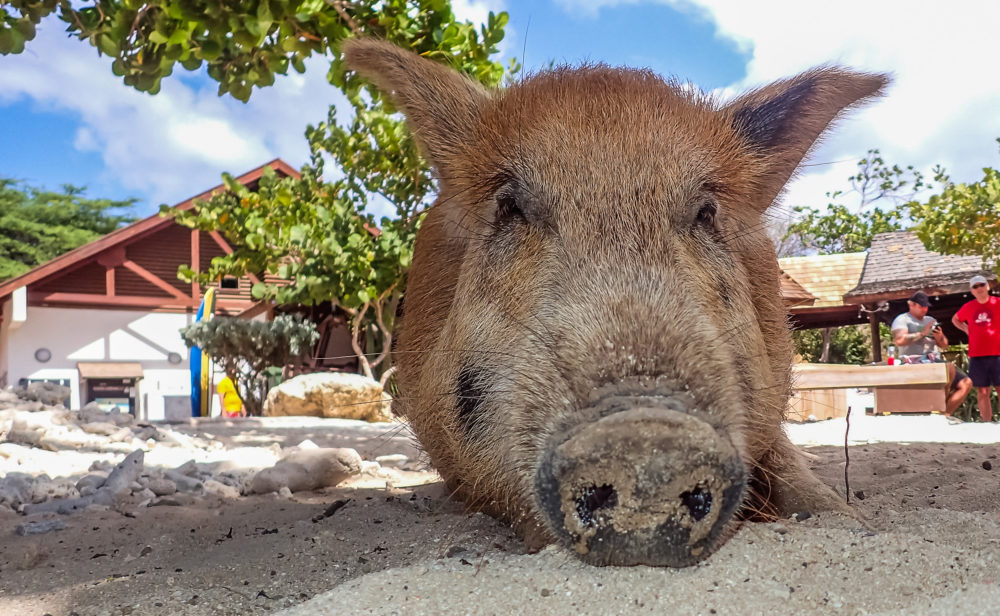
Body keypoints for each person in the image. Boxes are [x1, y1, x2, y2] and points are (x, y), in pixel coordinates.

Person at [891, 291, 972, 418]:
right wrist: (922, 333)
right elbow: (899, 341)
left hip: (934, 360)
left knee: (966, 383)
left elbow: (944, 345)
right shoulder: (902, 320)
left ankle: (945, 414)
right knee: (948, 368)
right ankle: (939, 408)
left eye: (926, 306)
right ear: (911, 304)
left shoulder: (931, 320)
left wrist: (939, 337)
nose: (924, 309)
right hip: (914, 362)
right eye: (921, 306)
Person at [952, 275, 1000, 422]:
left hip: (998, 352)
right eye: (975, 286)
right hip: (977, 354)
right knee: (982, 390)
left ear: (987, 286)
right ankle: (987, 423)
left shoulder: (997, 303)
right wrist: (966, 329)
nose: (979, 288)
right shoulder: (969, 307)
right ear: (972, 291)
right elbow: (955, 319)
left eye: (981, 285)